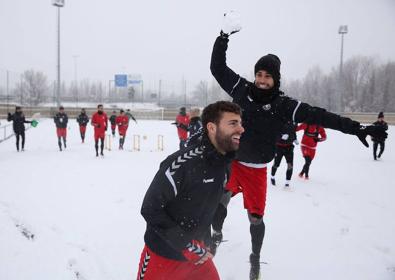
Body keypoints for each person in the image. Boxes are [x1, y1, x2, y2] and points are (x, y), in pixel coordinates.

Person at [209, 12, 387, 280]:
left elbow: (323, 116)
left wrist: (357, 128)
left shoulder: (285, 106)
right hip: (233, 163)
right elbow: (217, 68)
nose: (261, 79)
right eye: (258, 73)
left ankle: (255, 258)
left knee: (255, 219)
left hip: (257, 170)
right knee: (217, 203)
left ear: (276, 79)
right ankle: (216, 235)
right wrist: (222, 37)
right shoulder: (241, 90)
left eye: (267, 76)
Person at [137, 101, 244, 280]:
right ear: (211, 127)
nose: (241, 129)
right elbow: (150, 208)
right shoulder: (180, 164)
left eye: (240, 123)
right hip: (163, 256)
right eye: (233, 123)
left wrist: (206, 239)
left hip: (198, 257)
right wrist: (186, 244)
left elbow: (208, 203)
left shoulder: (225, 165)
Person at [270, 121, 298, 187]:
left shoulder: (293, 122)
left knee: (290, 165)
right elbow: (273, 134)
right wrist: (281, 136)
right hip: (279, 147)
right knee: (276, 164)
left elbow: (293, 132)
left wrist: (295, 139)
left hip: (289, 147)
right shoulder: (279, 121)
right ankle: (272, 177)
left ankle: (287, 182)